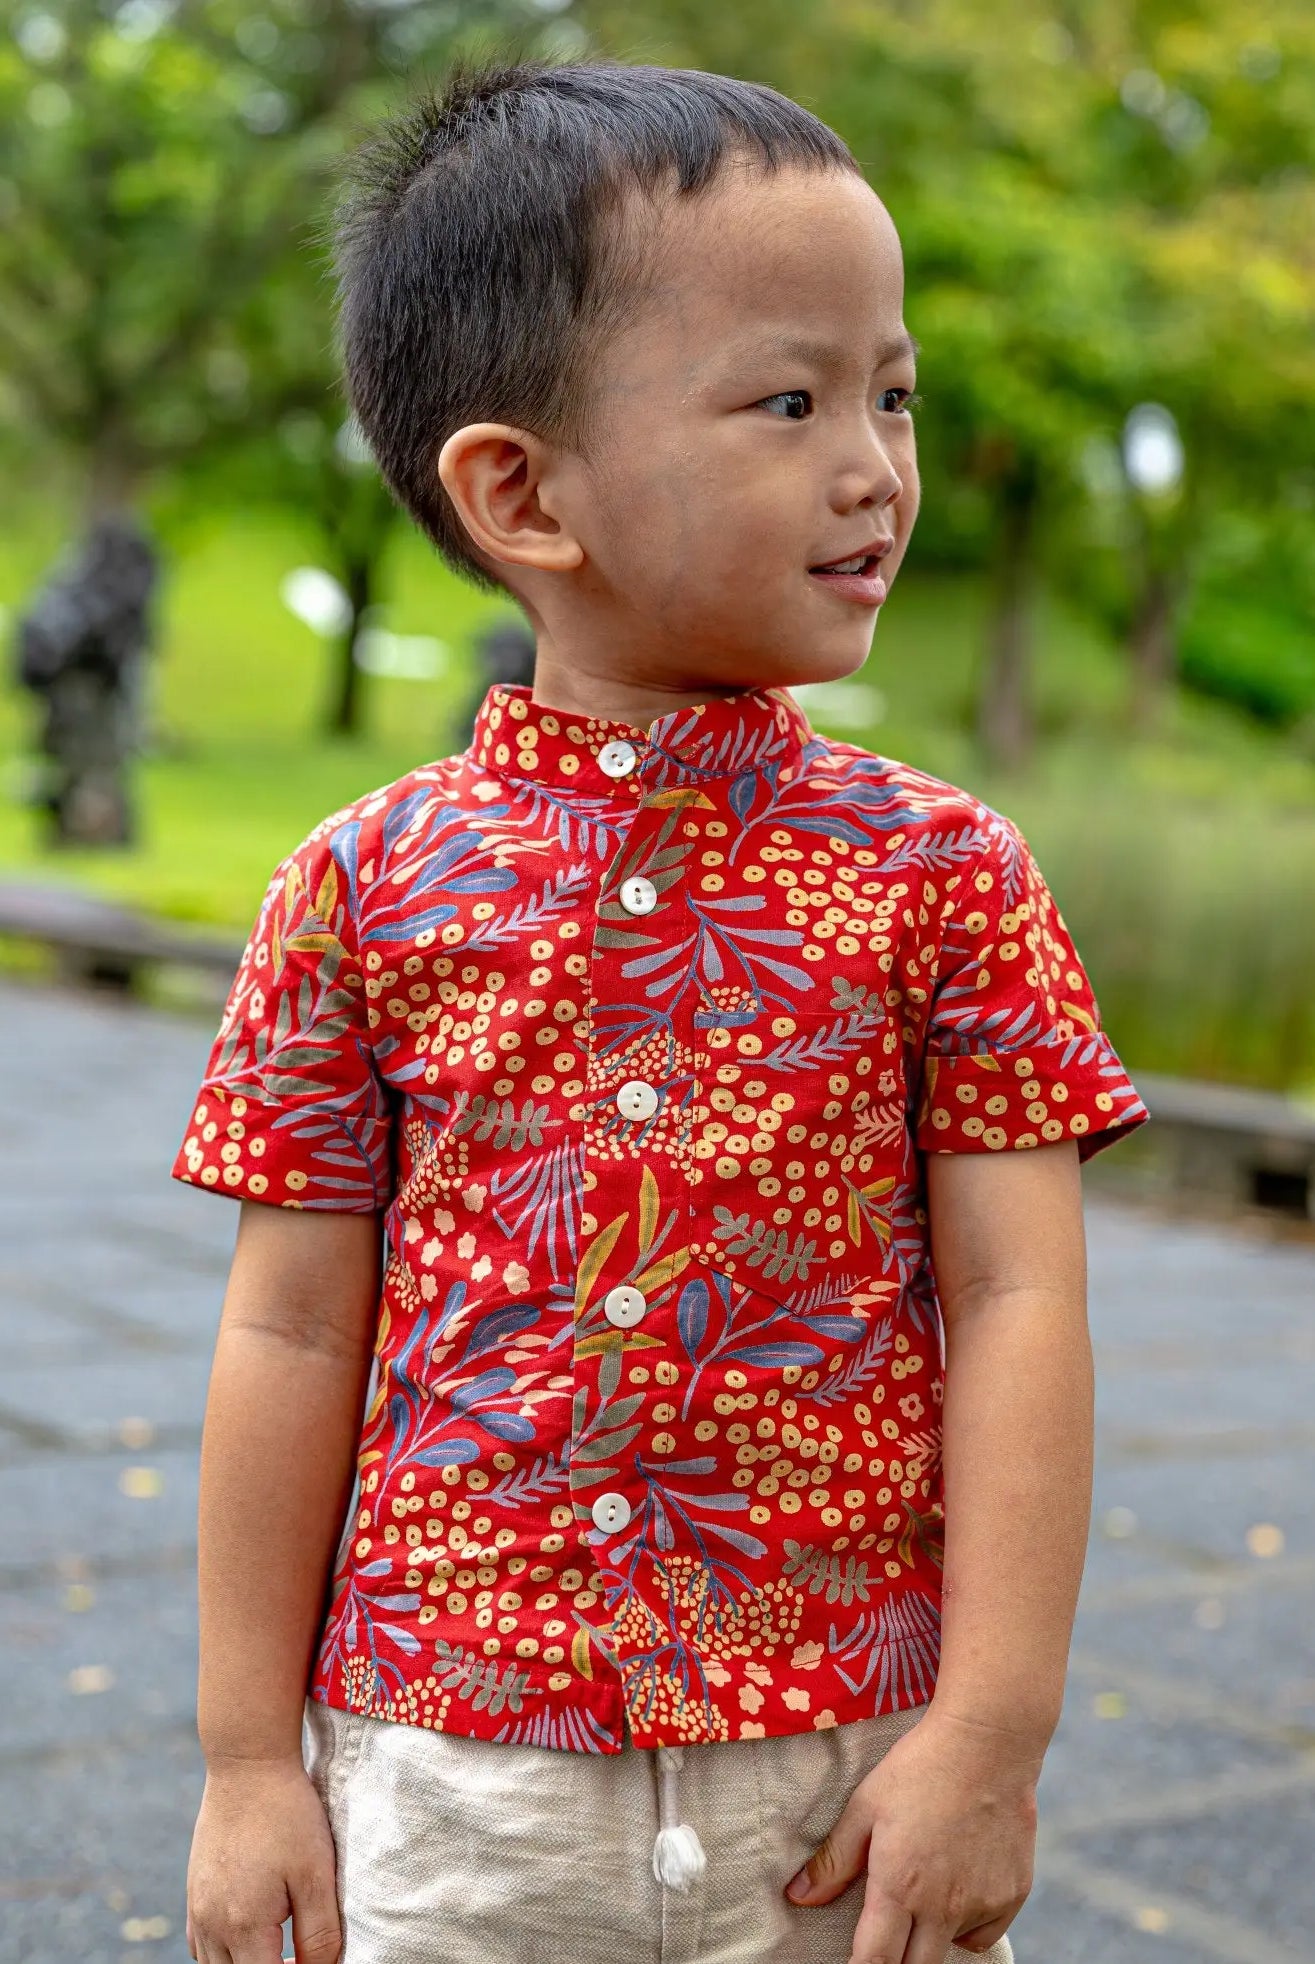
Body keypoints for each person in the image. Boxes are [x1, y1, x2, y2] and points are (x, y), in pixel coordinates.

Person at [175, 56, 1150, 1964]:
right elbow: (288, 1328)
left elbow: (1019, 1302)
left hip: (845, 1764)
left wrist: (991, 1739)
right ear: (519, 492)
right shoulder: (360, 889)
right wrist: (243, 1761)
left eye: (892, 394)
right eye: (792, 401)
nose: (876, 467)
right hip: (458, 1768)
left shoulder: (945, 873)